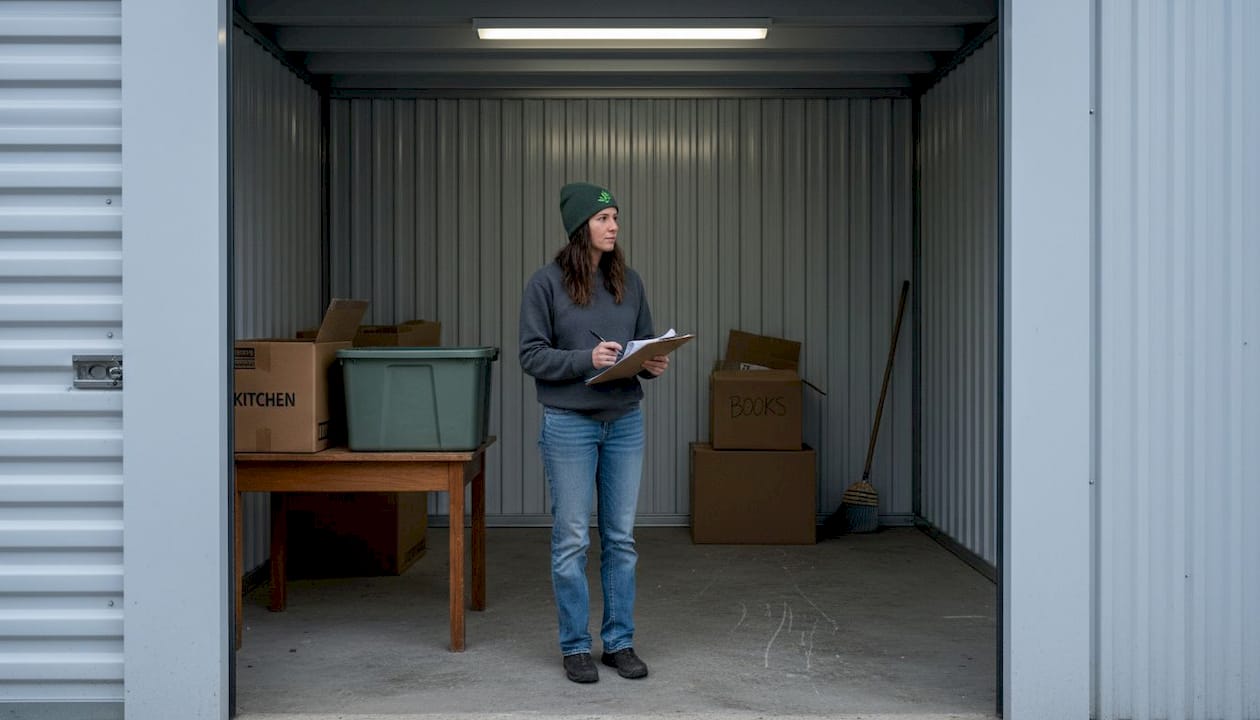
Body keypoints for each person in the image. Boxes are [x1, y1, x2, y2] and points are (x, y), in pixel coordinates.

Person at [518, 182, 669, 684]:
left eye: (616, 218)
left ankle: (619, 642)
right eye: (604, 219)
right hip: (569, 425)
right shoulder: (545, 284)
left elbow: (642, 344)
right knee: (572, 540)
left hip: (624, 421)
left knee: (621, 539)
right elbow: (530, 355)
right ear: (580, 226)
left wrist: (652, 362)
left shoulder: (630, 282)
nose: (614, 227)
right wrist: (588, 358)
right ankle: (576, 646)